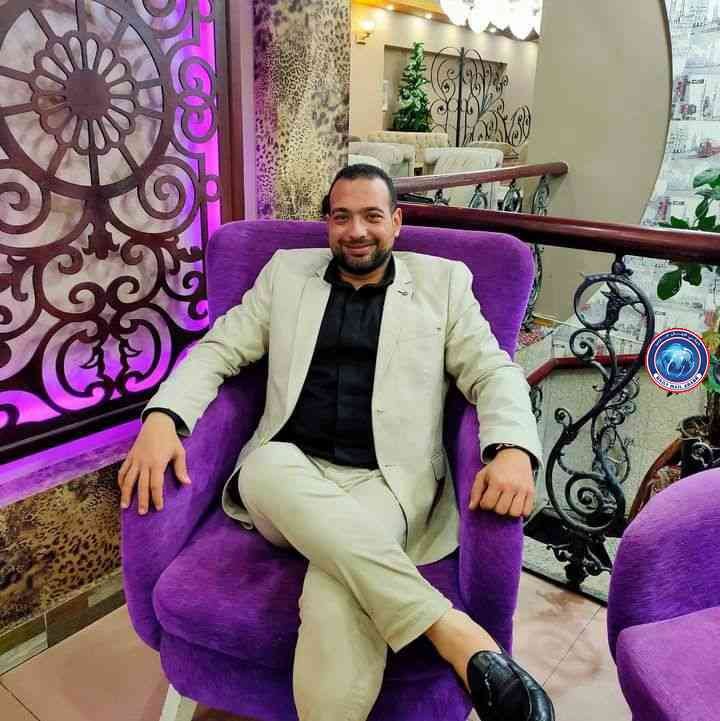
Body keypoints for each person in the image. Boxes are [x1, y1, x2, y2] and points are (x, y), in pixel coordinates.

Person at [118, 164, 554, 721]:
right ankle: (451, 630)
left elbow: (492, 371)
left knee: (336, 596)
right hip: (286, 473)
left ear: (396, 222)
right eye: (342, 217)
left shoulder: (443, 284)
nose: (357, 231)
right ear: (327, 222)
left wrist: (511, 448)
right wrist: (163, 418)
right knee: (265, 466)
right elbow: (218, 349)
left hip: (385, 484)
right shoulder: (285, 273)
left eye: (372, 216)